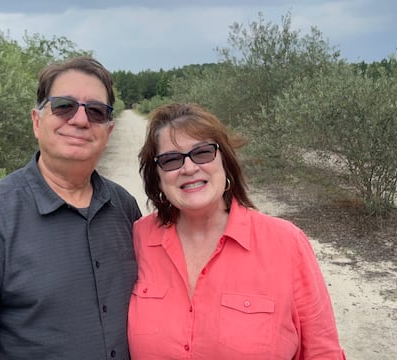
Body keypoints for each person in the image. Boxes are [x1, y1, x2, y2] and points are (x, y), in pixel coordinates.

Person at [0, 56, 142, 360]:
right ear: (36, 122)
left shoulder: (125, 208)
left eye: (95, 111)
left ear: (107, 132)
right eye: (64, 106)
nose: (80, 120)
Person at [129, 103, 346, 359]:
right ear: (157, 177)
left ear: (225, 162)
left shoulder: (286, 244)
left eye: (202, 153)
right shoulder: (139, 238)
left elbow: (322, 351)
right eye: (171, 159)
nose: (188, 168)